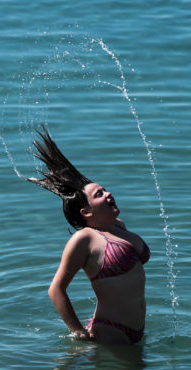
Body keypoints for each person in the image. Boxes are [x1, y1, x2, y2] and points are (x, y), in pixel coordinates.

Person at [27, 126, 150, 345]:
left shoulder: (119, 226)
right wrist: (79, 332)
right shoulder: (83, 240)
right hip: (111, 331)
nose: (109, 194)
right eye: (99, 194)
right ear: (86, 211)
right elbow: (56, 289)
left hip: (138, 331)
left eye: (105, 190)